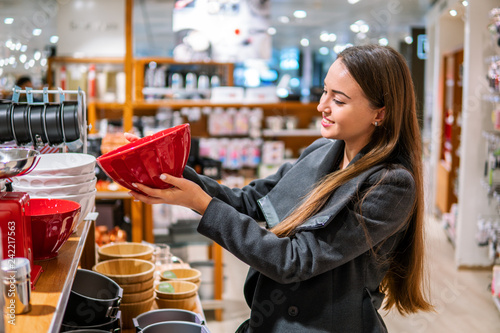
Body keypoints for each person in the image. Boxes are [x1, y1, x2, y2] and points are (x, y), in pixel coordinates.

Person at [126, 44, 433, 332]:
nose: (321, 106)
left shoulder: (390, 184)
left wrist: (204, 205)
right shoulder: (322, 151)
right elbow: (251, 201)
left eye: (339, 100)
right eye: (325, 92)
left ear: (380, 113)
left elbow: (295, 260)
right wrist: (169, 168)